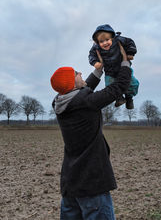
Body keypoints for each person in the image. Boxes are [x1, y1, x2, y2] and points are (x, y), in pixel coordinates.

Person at [50, 44, 131, 220]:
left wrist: (99, 70)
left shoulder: (59, 103)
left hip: (70, 184)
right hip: (92, 184)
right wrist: (125, 63)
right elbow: (118, 87)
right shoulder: (85, 102)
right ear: (72, 83)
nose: (80, 73)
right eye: (76, 73)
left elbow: (81, 92)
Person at [88, 24, 139, 109]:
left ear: (112, 37)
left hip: (123, 68)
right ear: (97, 42)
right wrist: (95, 63)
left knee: (132, 83)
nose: (105, 43)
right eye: (101, 41)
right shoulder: (96, 48)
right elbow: (91, 55)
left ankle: (129, 98)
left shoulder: (118, 40)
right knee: (109, 85)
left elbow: (130, 42)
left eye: (107, 40)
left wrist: (130, 53)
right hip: (109, 71)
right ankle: (119, 98)